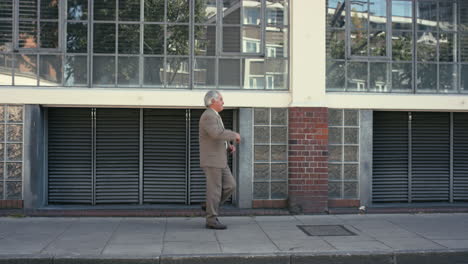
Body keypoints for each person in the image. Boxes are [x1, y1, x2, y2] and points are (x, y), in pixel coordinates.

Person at [199, 91, 241, 230]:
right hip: (212, 161)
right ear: (212, 101)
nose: (223, 102)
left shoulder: (215, 116)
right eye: (221, 99)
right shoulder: (208, 116)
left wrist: (228, 146)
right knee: (214, 191)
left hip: (220, 159)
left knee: (231, 185)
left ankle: (209, 205)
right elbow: (216, 134)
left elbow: (217, 137)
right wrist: (234, 134)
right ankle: (211, 220)